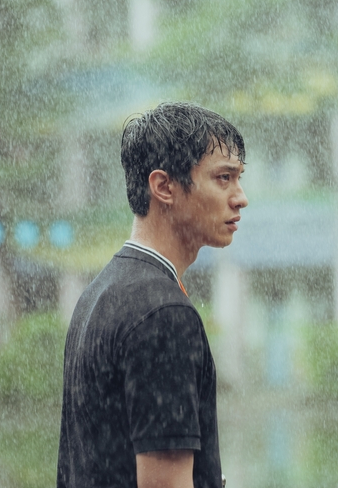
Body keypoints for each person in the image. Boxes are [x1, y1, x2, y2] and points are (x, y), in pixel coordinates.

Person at [57, 102, 248, 488]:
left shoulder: (101, 293)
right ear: (163, 187)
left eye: (238, 178)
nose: (240, 197)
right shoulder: (164, 315)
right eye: (223, 178)